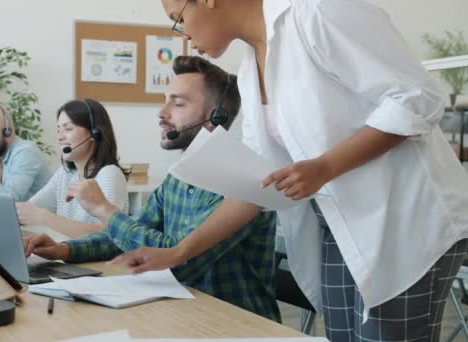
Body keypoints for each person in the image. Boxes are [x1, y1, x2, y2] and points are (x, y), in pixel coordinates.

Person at [111, 1, 468, 341]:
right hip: (342, 226)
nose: (183, 35)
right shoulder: (252, 65)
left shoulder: (318, 12)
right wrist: (177, 253)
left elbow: (418, 97)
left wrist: (325, 167)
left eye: (179, 19)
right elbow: (257, 185)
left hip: (407, 221)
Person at [23, 56, 281, 321]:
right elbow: (133, 230)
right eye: (165, 100)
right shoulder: (178, 177)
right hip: (181, 315)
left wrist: (105, 211)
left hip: (234, 324)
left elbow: (177, 259)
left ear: (215, 116)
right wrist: (65, 250)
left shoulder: (239, 180)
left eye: (177, 103)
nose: (161, 112)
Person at [16, 99, 129, 238]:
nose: (59, 137)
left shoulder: (109, 174)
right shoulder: (66, 173)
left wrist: (42, 217)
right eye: (59, 130)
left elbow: (107, 234)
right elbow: (30, 209)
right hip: (67, 255)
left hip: (97, 260)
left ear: (94, 133)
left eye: (68, 129)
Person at [0, 104, 50, 201]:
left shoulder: (27, 152)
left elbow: (9, 200)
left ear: (7, 132)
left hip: (34, 215)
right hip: (8, 215)